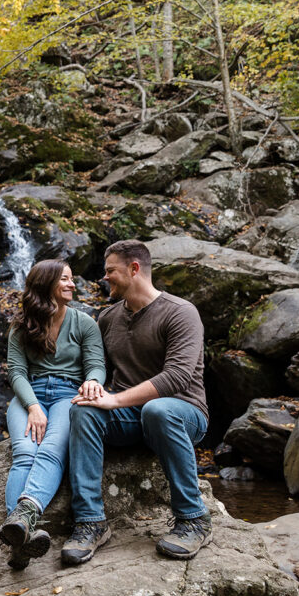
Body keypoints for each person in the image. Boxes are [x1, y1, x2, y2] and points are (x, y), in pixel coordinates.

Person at [63, 239, 210, 566]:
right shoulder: (107, 318)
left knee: (159, 410)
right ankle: (90, 522)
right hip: (130, 417)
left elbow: (176, 378)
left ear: (134, 269)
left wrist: (114, 400)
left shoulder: (181, 313)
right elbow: (96, 366)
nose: (105, 278)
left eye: (110, 271)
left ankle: (194, 519)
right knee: (83, 410)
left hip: (182, 412)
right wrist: (92, 384)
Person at [0, 259, 106, 569]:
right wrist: (32, 407)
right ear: (47, 285)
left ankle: (21, 524)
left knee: (50, 452)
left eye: (72, 280)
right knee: (24, 453)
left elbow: (96, 365)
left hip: (67, 396)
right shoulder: (21, 325)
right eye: (66, 280)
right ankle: (19, 537)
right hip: (29, 396)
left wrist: (93, 382)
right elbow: (17, 372)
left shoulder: (85, 323)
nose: (73, 285)